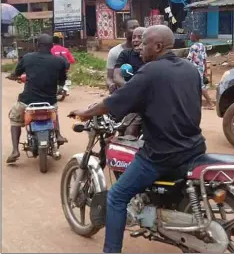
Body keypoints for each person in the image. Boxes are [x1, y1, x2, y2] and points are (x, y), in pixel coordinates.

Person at [69, 25, 206, 253]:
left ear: (158, 46)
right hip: (194, 148)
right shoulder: (190, 69)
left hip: (162, 155)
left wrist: (86, 112)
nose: (139, 47)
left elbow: (113, 102)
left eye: (144, 43)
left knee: (116, 196)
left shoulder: (150, 72)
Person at [6, 34, 68, 164]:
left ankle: (15, 150)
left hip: (28, 101)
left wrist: (13, 76)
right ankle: (58, 134)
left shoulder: (28, 58)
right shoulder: (59, 61)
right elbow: (62, 79)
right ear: (52, 46)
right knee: (54, 111)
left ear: (37, 45)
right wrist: (60, 87)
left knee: (15, 118)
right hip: (49, 101)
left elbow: (16, 73)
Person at [113, 27, 146, 137]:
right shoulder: (125, 54)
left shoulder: (152, 57)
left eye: (140, 37)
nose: (136, 40)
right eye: (133, 37)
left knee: (130, 131)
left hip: (144, 101)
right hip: (128, 97)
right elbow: (117, 76)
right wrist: (129, 88)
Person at [106, 18, 139, 94]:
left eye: (137, 27)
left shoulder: (147, 51)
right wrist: (111, 85)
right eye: (132, 28)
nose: (136, 30)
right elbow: (109, 78)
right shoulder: (115, 52)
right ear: (124, 31)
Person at [187, 31, 214, 110]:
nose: (190, 37)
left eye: (191, 36)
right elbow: (205, 59)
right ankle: (196, 103)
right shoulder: (202, 46)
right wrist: (205, 70)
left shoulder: (193, 47)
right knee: (197, 86)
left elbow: (189, 59)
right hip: (201, 68)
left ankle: (210, 103)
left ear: (195, 37)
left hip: (194, 69)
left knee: (201, 86)